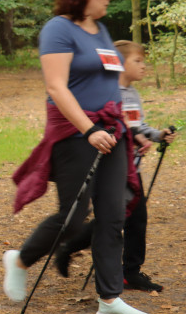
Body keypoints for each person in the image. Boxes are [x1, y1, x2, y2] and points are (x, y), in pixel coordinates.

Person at [4, 0, 149, 314]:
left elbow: (110, 83)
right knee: (73, 216)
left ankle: (110, 298)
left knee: (113, 215)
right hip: (76, 134)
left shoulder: (100, 30)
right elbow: (56, 87)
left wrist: (128, 128)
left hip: (112, 131)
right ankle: (20, 259)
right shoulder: (57, 29)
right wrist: (88, 129)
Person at [52, 39, 177, 291]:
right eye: (138, 61)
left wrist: (157, 135)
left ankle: (130, 272)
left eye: (144, 61)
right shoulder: (107, 93)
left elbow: (137, 126)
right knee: (113, 220)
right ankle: (70, 246)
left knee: (137, 219)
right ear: (119, 64)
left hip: (134, 168)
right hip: (112, 169)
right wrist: (130, 135)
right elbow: (104, 126)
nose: (144, 66)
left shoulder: (133, 94)